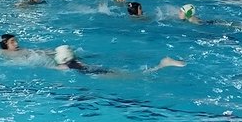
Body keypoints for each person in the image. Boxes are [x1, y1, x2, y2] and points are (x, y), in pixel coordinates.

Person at [52, 45, 184, 75]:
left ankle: (164, 64)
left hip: (99, 74)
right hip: (98, 70)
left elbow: (53, 67)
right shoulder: (76, 61)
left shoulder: (65, 66)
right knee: (134, 75)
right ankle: (163, 65)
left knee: (137, 76)